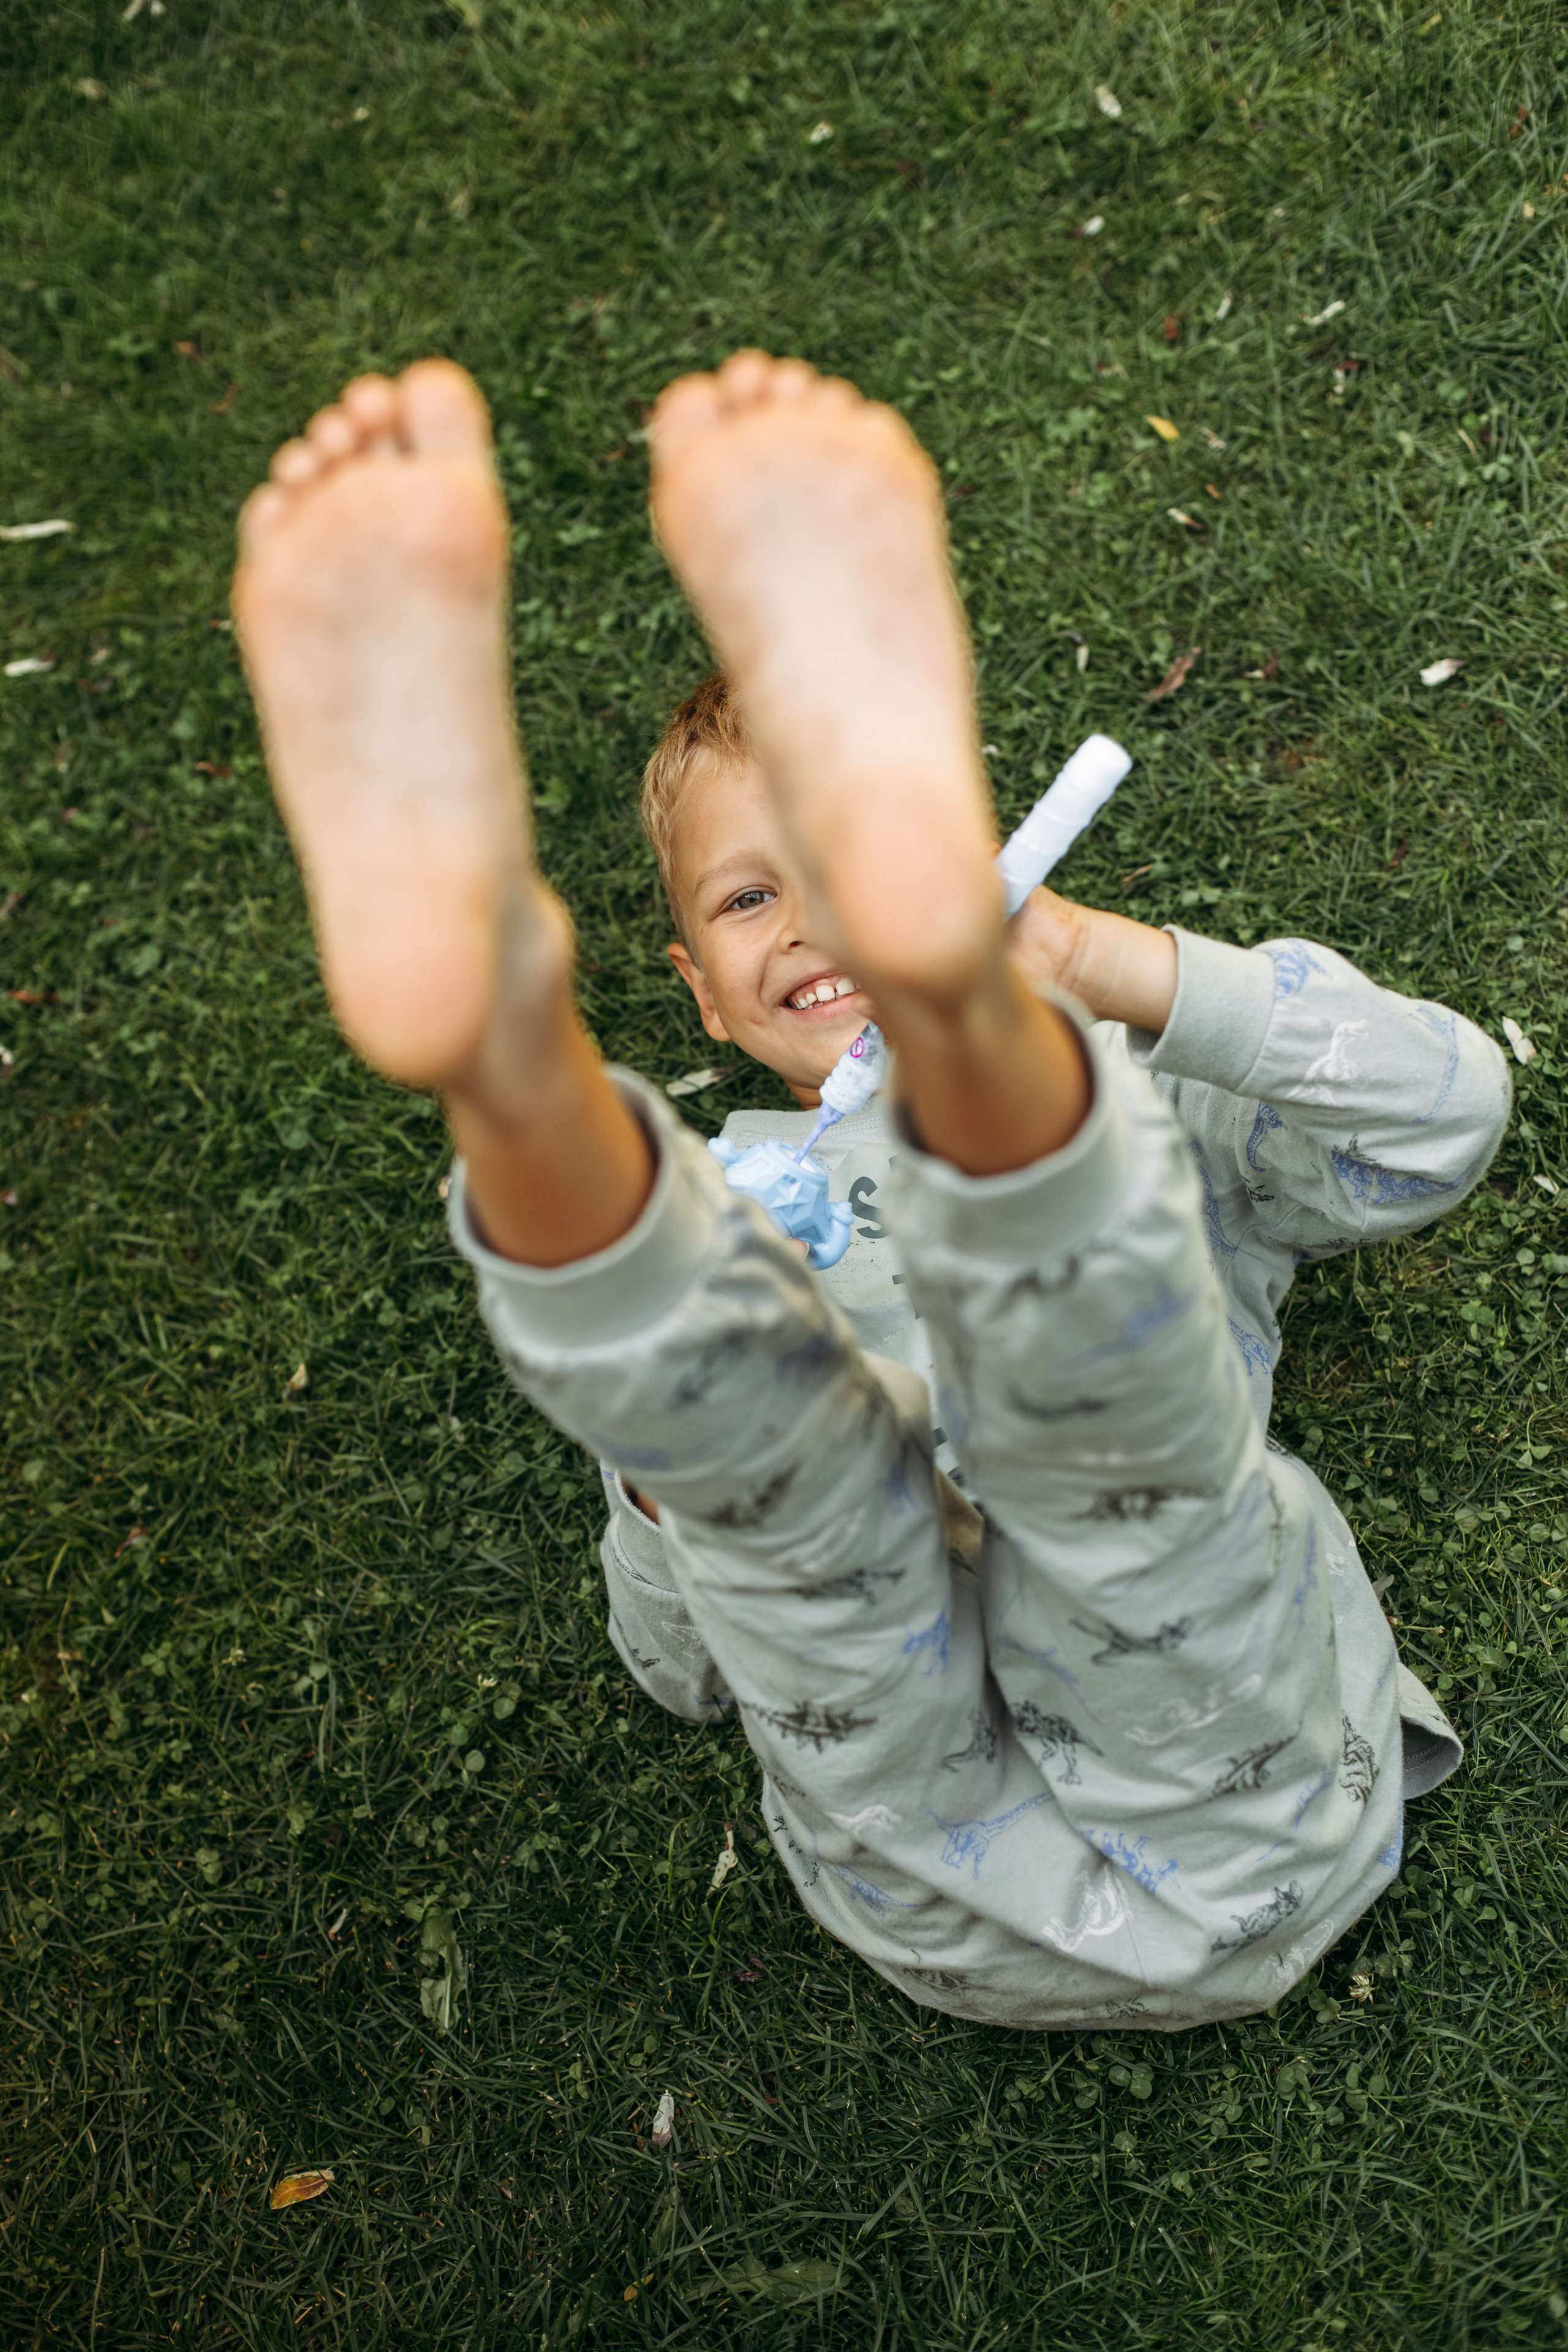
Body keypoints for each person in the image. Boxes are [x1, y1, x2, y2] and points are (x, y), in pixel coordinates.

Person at [233, 351, 1508, 2031]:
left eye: (849, 869)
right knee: (803, 1465)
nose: (809, 926)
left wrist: (1093, 967)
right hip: (1160, 1824)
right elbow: (682, 1666)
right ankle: (511, 1047)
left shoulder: (1131, 1089)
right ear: (699, 995)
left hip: (988, 1861)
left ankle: (564, 1065)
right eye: (752, 896)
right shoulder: (719, 1225)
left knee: (1084, 1478)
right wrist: (672, 1485)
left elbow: (1436, 1117)